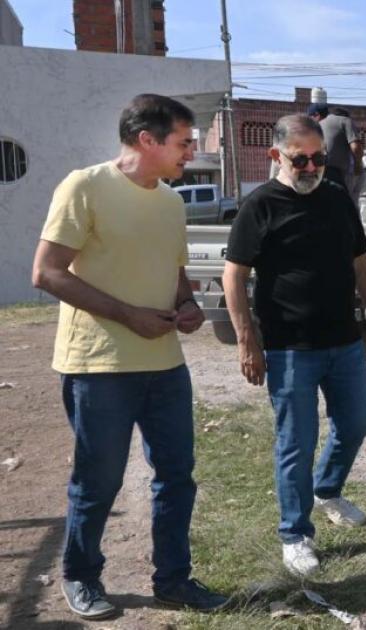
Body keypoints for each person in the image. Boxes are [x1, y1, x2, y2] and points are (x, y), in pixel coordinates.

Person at [30, 94, 229, 619]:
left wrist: (186, 304)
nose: (192, 151)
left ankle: (173, 580)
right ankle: (81, 575)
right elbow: (47, 272)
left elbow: (174, 271)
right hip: (99, 367)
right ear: (147, 139)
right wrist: (128, 315)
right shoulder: (84, 186)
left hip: (165, 365)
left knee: (177, 476)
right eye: (184, 142)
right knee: (99, 481)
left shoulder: (171, 202)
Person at [222, 114, 366, 577]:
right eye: (301, 160)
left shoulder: (337, 198)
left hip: (344, 342)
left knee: (355, 424)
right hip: (289, 348)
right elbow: (233, 277)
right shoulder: (260, 206)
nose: (312, 167)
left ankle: (327, 489)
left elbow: (361, 265)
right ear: (276, 156)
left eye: (318, 158)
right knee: (295, 442)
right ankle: (295, 535)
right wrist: (247, 342)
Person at [307, 103, 362, 196]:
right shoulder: (345, 120)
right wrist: (358, 166)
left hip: (318, 172)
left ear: (317, 115)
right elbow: (356, 147)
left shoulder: (314, 128)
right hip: (337, 173)